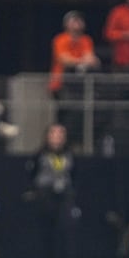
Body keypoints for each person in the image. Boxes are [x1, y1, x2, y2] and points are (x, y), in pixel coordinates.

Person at [24, 123, 80, 258]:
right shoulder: (40, 155)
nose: (57, 138)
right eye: (54, 134)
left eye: (60, 135)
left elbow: (74, 175)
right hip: (45, 197)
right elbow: (32, 174)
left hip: (64, 197)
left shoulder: (70, 155)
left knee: (66, 230)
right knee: (46, 232)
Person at [48, 10, 100, 152]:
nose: (76, 24)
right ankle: (59, 146)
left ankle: (77, 145)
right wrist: (81, 61)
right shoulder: (60, 39)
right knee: (63, 118)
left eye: (79, 20)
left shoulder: (86, 40)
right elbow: (64, 59)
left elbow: (92, 59)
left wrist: (79, 61)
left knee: (81, 118)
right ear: (66, 24)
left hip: (81, 87)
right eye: (73, 20)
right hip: (61, 85)